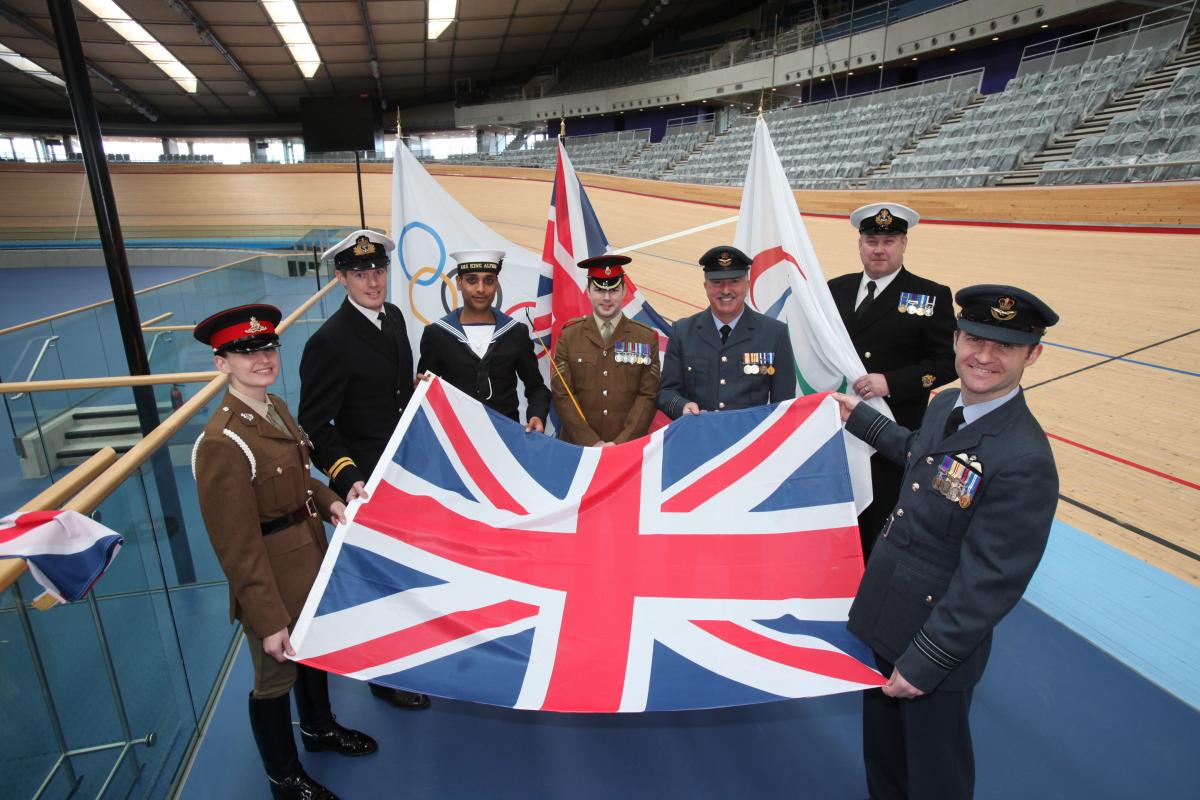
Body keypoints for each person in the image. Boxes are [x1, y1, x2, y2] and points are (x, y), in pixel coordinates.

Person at [832, 284, 1060, 800]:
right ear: (956, 338)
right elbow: (921, 455)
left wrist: (926, 660)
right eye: (975, 338)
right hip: (886, 614)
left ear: (1034, 354)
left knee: (936, 774)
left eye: (1005, 346)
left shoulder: (1024, 460)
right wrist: (860, 419)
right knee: (885, 757)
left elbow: (991, 582)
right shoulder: (947, 402)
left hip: (931, 643)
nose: (984, 356)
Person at [192, 304, 377, 800]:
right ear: (221, 362)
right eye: (245, 351)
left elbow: (298, 481)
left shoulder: (274, 408)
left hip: (308, 554)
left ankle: (319, 729)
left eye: (267, 347)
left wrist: (333, 500)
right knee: (275, 677)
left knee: (312, 651)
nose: (262, 358)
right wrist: (267, 617)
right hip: (270, 575)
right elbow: (237, 546)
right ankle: (284, 776)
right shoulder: (222, 442)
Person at [298, 228, 430, 711]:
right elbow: (314, 424)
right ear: (341, 278)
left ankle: (411, 648)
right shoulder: (328, 342)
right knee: (377, 580)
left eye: (378, 271)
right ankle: (383, 674)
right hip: (365, 478)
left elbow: (394, 395)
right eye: (360, 274)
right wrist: (347, 475)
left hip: (404, 467)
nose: (372, 282)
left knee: (406, 567)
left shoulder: (392, 317)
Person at [828, 203, 955, 558]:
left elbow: (947, 362)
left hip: (893, 427)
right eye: (872, 240)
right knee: (838, 506)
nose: (879, 249)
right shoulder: (835, 290)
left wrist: (893, 382)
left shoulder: (930, 296)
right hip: (838, 424)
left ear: (903, 244)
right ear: (860, 244)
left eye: (889, 240)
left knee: (879, 514)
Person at [417, 250, 550, 430]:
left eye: (488, 280)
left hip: (506, 439)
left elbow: (536, 388)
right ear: (458, 283)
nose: (480, 288)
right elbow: (424, 390)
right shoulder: (437, 334)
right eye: (472, 280)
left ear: (496, 284)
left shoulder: (515, 332)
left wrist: (536, 415)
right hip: (457, 439)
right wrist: (419, 389)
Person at [657, 245, 795, 418]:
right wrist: (682, 406)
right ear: (705, 286)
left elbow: (784, 404)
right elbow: (666, 392)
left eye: (734, 281)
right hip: (699, 436)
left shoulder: (775, 334)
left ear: (747, 285)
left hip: (749, 440)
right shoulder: (683, 332)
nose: (726, 290)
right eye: (717, 283)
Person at [551, 254, 660, 445]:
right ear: (588, 291)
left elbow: (648, 396)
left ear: (624, 290)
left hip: (628, 449)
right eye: (599, 290)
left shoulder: (645, 338)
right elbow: (562, 394)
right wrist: (592, 441)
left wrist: (620, 444)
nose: (607, 298)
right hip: (578, 448)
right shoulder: (569, 336)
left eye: (614, 290)